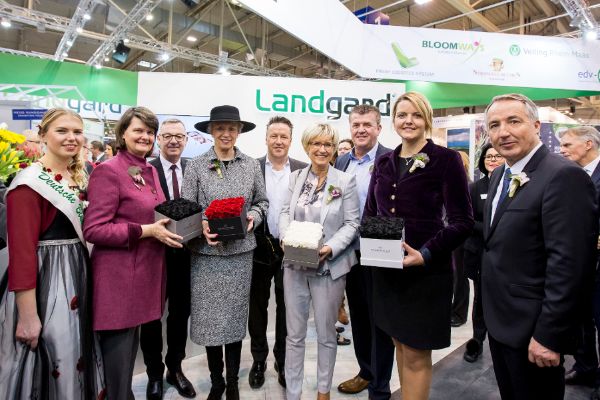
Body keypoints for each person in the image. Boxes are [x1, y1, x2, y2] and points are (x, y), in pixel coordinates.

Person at [482, 94, 597, 400]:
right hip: (502, 322)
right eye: (494, 125)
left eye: (513, 121)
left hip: (535, 331)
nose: (503, 132)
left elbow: (570, 265)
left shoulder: (563, 175)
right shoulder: (500, 174)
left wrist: (549, 335)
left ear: (536, 125)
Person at [363, 91, 473, 400]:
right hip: (387, 272)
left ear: (427, 119)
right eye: (402, 115)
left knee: (415, 352)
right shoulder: (383, 161)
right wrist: (372, 247)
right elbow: (371, 213)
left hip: (426, 274)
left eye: (416, 115)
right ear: (393, 121)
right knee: (398, 343)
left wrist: (425, 254)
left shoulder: (446, 160)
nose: (408, 121)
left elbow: (462, 221)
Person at [0, 108, 104, 399]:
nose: (71, 138)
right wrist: (28, 317)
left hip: (77, 276)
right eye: (62, 131)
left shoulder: (78, 177)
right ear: (43, 135)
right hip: (48, 284)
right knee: (57, 355)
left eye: (77, 132)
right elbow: (22, 254)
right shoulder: (28, 184)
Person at [84, 107, 183, 400]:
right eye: (138, 130)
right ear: (123, 133)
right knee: (117, 372)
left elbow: (157, 214)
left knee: (126, 365)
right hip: (119, 281)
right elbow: (95, 230)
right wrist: (145, 231)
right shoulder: (108, 171)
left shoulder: (148, 170)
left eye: (150, 132)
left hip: (145, 276)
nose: (145, 136)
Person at [182, 105, 268, 400]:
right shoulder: (195, 165)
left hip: (240, 255)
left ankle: (232, 382)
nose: (226, 133)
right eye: (220, 128)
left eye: (232, 128)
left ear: (239, 131)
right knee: (209, 323)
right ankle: (216, 381)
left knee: (233, 320)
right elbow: (187, 209)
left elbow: (262, 202)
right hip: (206, 256)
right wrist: (201, 225)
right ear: (210, 131)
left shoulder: (251, 165)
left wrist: (253, 217)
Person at [279, 123, 360, 400]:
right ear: (307, 146)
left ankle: (323, 391)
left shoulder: (345, 181)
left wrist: (330, 247)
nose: (322, 149)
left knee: (326, 335)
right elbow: (284, 212)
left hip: (328, 268)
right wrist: (285, 236)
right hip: (295, 266)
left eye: (327, 144)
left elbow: (352, 224)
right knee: (294, 336)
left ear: (334, 148)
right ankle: (293, 393)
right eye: (316, 143)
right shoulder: (296, 178)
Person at [334, 104, 394, 399]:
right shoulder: (341, 161)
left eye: (367, 124)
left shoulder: (391, 159)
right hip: (349, 252)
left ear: (378, 128)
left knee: (380, 320)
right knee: (358, 316)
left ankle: (380, 387)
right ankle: (366, 372)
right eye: (356, 125)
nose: (361, 130)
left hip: (380, 251)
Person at [248, 116, 307, 390]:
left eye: (284, 136)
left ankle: (282, 361)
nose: (279, 141)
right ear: (266, 138)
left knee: (287, 307)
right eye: (274, 136)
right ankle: (259, 360)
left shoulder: (303, 170)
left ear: (291, 141)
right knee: (257, 307)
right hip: (259, 247)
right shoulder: (252, 168)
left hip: (291, 248)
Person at [140, 119, 196, 399]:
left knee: (180, 314)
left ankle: (175, 368)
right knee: (150, 316)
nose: (174, 141)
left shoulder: (193, 169)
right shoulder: (143, 171)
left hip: (185, 256)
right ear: (158, 139)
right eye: (168, 136)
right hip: (153, 253)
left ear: (186, 140)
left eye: (179, 136)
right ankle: (153, 374)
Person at [558, 126, 600, 395]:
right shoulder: (573, 175)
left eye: (567, 144)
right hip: (578, 263)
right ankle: (586, 368)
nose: (562, 150)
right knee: (582, 319)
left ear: (588, 144)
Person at [462, 143, 504, 363]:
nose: (492, 160)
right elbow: (467, 220)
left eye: (497, 156)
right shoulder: (475, 187)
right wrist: (493, 229)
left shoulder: (514, 184)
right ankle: (477, 341)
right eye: (489, 157)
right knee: (480, 299)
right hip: (479, 253)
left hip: (507, 255)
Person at [451, 150, 471, 328]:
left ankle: (459, 313)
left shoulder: (468, 185)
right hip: (445, 234)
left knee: (460, 276)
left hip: (460, 238)